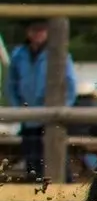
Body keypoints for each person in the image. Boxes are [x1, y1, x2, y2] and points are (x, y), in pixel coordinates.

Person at [5, 21, 76, 182]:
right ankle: (36, 200)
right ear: (28, 32)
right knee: (32, 161)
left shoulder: (59, 54)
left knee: (57, 158)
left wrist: (63, 110)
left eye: (42, 30)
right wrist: (18, 108)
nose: (38, 34)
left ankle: (65, 196)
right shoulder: (18, 55)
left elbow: (70, 85)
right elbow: (11, 84)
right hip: (28, 117)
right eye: (34, 30)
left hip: (51, 118)